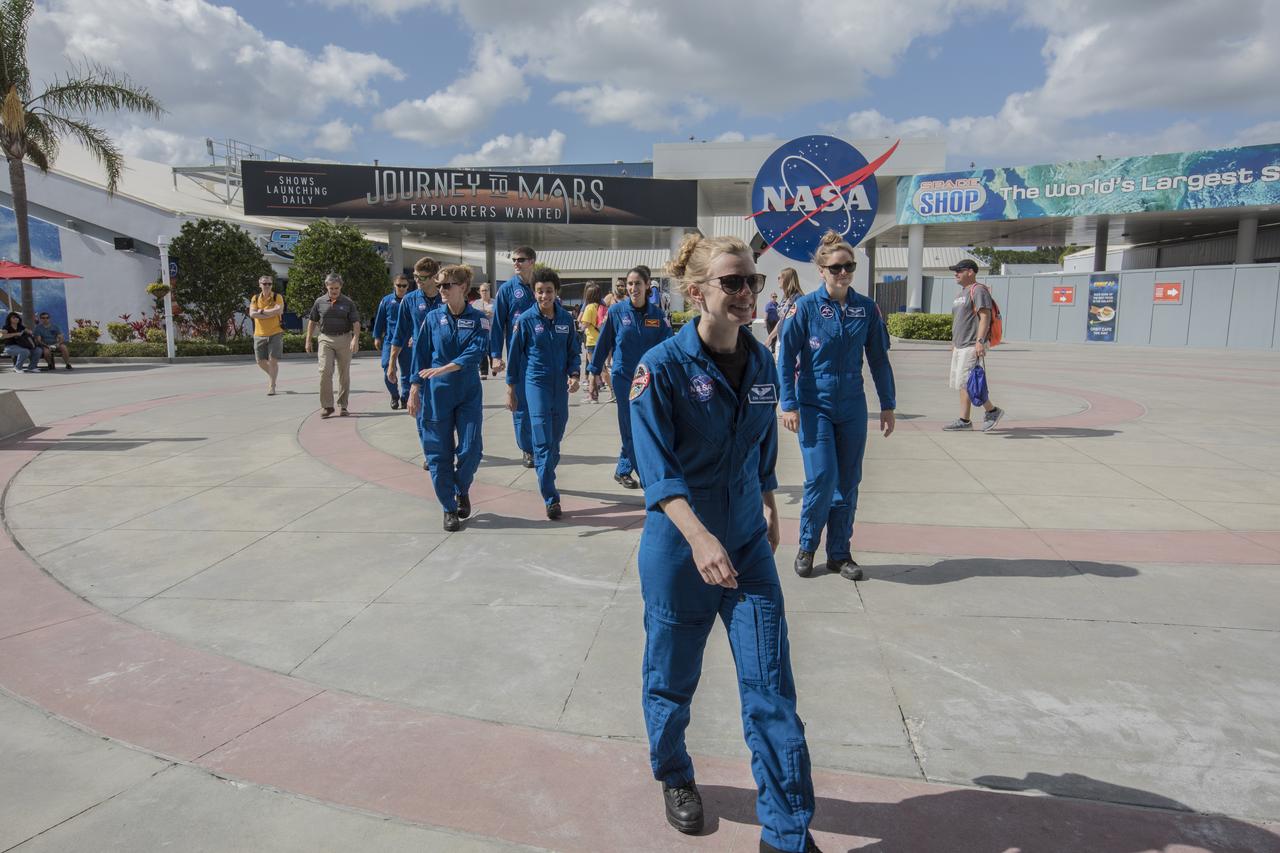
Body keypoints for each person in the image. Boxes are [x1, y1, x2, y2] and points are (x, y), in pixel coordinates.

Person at [630, 233, 821, 853]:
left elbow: (762, 437)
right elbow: (657, 472)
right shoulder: (659, 368)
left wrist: (766, 497)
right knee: (672, 680)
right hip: (682, 552)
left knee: (771, 689)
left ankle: (786, 835)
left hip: (744, 546)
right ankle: (675, 773)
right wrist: (698, 535)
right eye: (732, 283)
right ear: (697, 293)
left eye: (753, 282)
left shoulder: (761, 361)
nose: (747, 293)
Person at [777, 232, 896, 580]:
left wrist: (887, 404)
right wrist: (788, 403)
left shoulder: (865, 308)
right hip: (815, 404)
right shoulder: (806, 308)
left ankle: (839, 554)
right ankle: (807, 545)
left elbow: (878, 358)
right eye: (836, 267)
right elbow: (786, 359)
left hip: (852, 406)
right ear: (821, 269)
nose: (843, 273)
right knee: (822, 477)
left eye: (849, 267)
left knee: (849, 479)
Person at [407, 265, 487, 532]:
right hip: (436, 393)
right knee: (438, 454)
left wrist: (446, 367)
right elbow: (420, 355)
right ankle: (448, 507)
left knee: (470, 449)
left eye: (446, 285)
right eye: (439, 285)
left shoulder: (479, 319)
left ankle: (461, 487)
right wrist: (414, 388)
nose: (440, 290)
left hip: (467, 391)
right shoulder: (432, 319)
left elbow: (475, 352)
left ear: (463, 288)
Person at [505, 268, 581, 519]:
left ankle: (545, 468)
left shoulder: (566, 319)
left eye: (549, 291)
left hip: (559, 387)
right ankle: (551, 497)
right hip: (535, 384)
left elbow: (573, 352)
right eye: (539, 291)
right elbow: (515, 357)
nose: (544, 296)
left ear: (556, 292)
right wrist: (511, 389)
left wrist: (574, 375)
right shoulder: (525, 320)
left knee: (554, 442)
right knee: (542, 440)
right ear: (533, 292)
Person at [588, 266, 673, 489]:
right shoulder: (616, 312)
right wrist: (593, 372)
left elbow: (668, 347)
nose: (633, 288)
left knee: (644, 427)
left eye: (637, 283)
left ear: (647, 286)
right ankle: (648, 479)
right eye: (630, 284)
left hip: (648, 380)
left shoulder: (657, 315)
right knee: (630, 428)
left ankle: (622, 469)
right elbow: (604, 342)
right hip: (623, 378)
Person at [489, 246, 538, 468]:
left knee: (542, 405)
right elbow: (498, 325)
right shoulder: (507, 290)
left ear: (532, 261)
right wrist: (496, 355)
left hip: (541, 356)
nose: (516, 263)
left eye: (521, 259)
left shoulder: (542, 286)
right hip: (518, 357)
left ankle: (541, 445)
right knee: (520, 405)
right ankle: (527, 448)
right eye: (514, 260)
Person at [944, 259, 1005, 432]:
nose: (956, 274)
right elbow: (959, 320)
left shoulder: (978, 290)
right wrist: (954, 343)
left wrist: (980, 342)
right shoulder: (960, 294)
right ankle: (965, 420)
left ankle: (991, 411)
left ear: (970, 272)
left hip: (972, 343)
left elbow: (985, 317)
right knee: (962, 383)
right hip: (960, 344)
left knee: (968, 382)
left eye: (959, 270)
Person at [304, 272, 361, 418]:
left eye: (337, 288)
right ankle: (327, 406)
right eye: (331, 288)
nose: (334, 291)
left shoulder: (348, 303)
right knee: (324, 371)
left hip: (344, 339)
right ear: (326, 287)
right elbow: (312, 321)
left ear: (341, 287)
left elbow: (356, 322)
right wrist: (308, 339)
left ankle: (343, 405)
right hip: (325, 339)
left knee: (344, 373)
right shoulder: (319, 302)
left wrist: (355, 339)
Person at [373, 274, 412, 409]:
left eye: (404, 286)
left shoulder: (412, 300)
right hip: (390, 341)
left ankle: (405, 397)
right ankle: (394, 395)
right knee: (387, 368)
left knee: (407, 371)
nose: (401, 288)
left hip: (408, 342)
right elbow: (380, 319)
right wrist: (377, 336)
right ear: (394, 285)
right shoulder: (386, 301)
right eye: (398, 285)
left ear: (408, 286)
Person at [248, 275, 285, 395]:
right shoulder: (255, 298)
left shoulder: (277, 297)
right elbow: (252, 314)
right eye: (265, 284)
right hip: (259, 333)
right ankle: (273, 374)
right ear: (260, 285)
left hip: (275, 332)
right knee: (260, 361)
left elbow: (278, 311)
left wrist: (262, 311)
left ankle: (272, 385)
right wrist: (270, 313)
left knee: (273, 360)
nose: (267, 286)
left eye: (269, 284)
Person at [765, 268, 804, 354]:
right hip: (781, 339)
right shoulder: (785, 297)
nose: (777, 280)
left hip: (791, 343)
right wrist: (770, 337)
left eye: (779, 278)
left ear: (787, 279)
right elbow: (782, 320)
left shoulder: (797, 298)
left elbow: (797, 323)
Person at [579, 282, 604, 402]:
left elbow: (585, 324)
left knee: (593, 369)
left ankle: (592, 395)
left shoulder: (589, 307)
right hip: (600, 339)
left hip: (591, 341)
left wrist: (581, 326)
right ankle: (594, 394)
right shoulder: (600, 306)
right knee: (597, 369)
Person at [471, 281, 496, 379]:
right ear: (479, 292)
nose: (484, 292)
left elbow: (500, 314)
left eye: (486, 290)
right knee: (482, 352)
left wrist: (492, 314)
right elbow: (472, 315)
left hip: (493, 332)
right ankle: (484, 372)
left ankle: (494, 367)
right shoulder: (476, 303)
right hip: (481, 332)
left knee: (492, 351)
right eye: (482, 291)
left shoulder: (495, 302)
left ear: (490, 291)